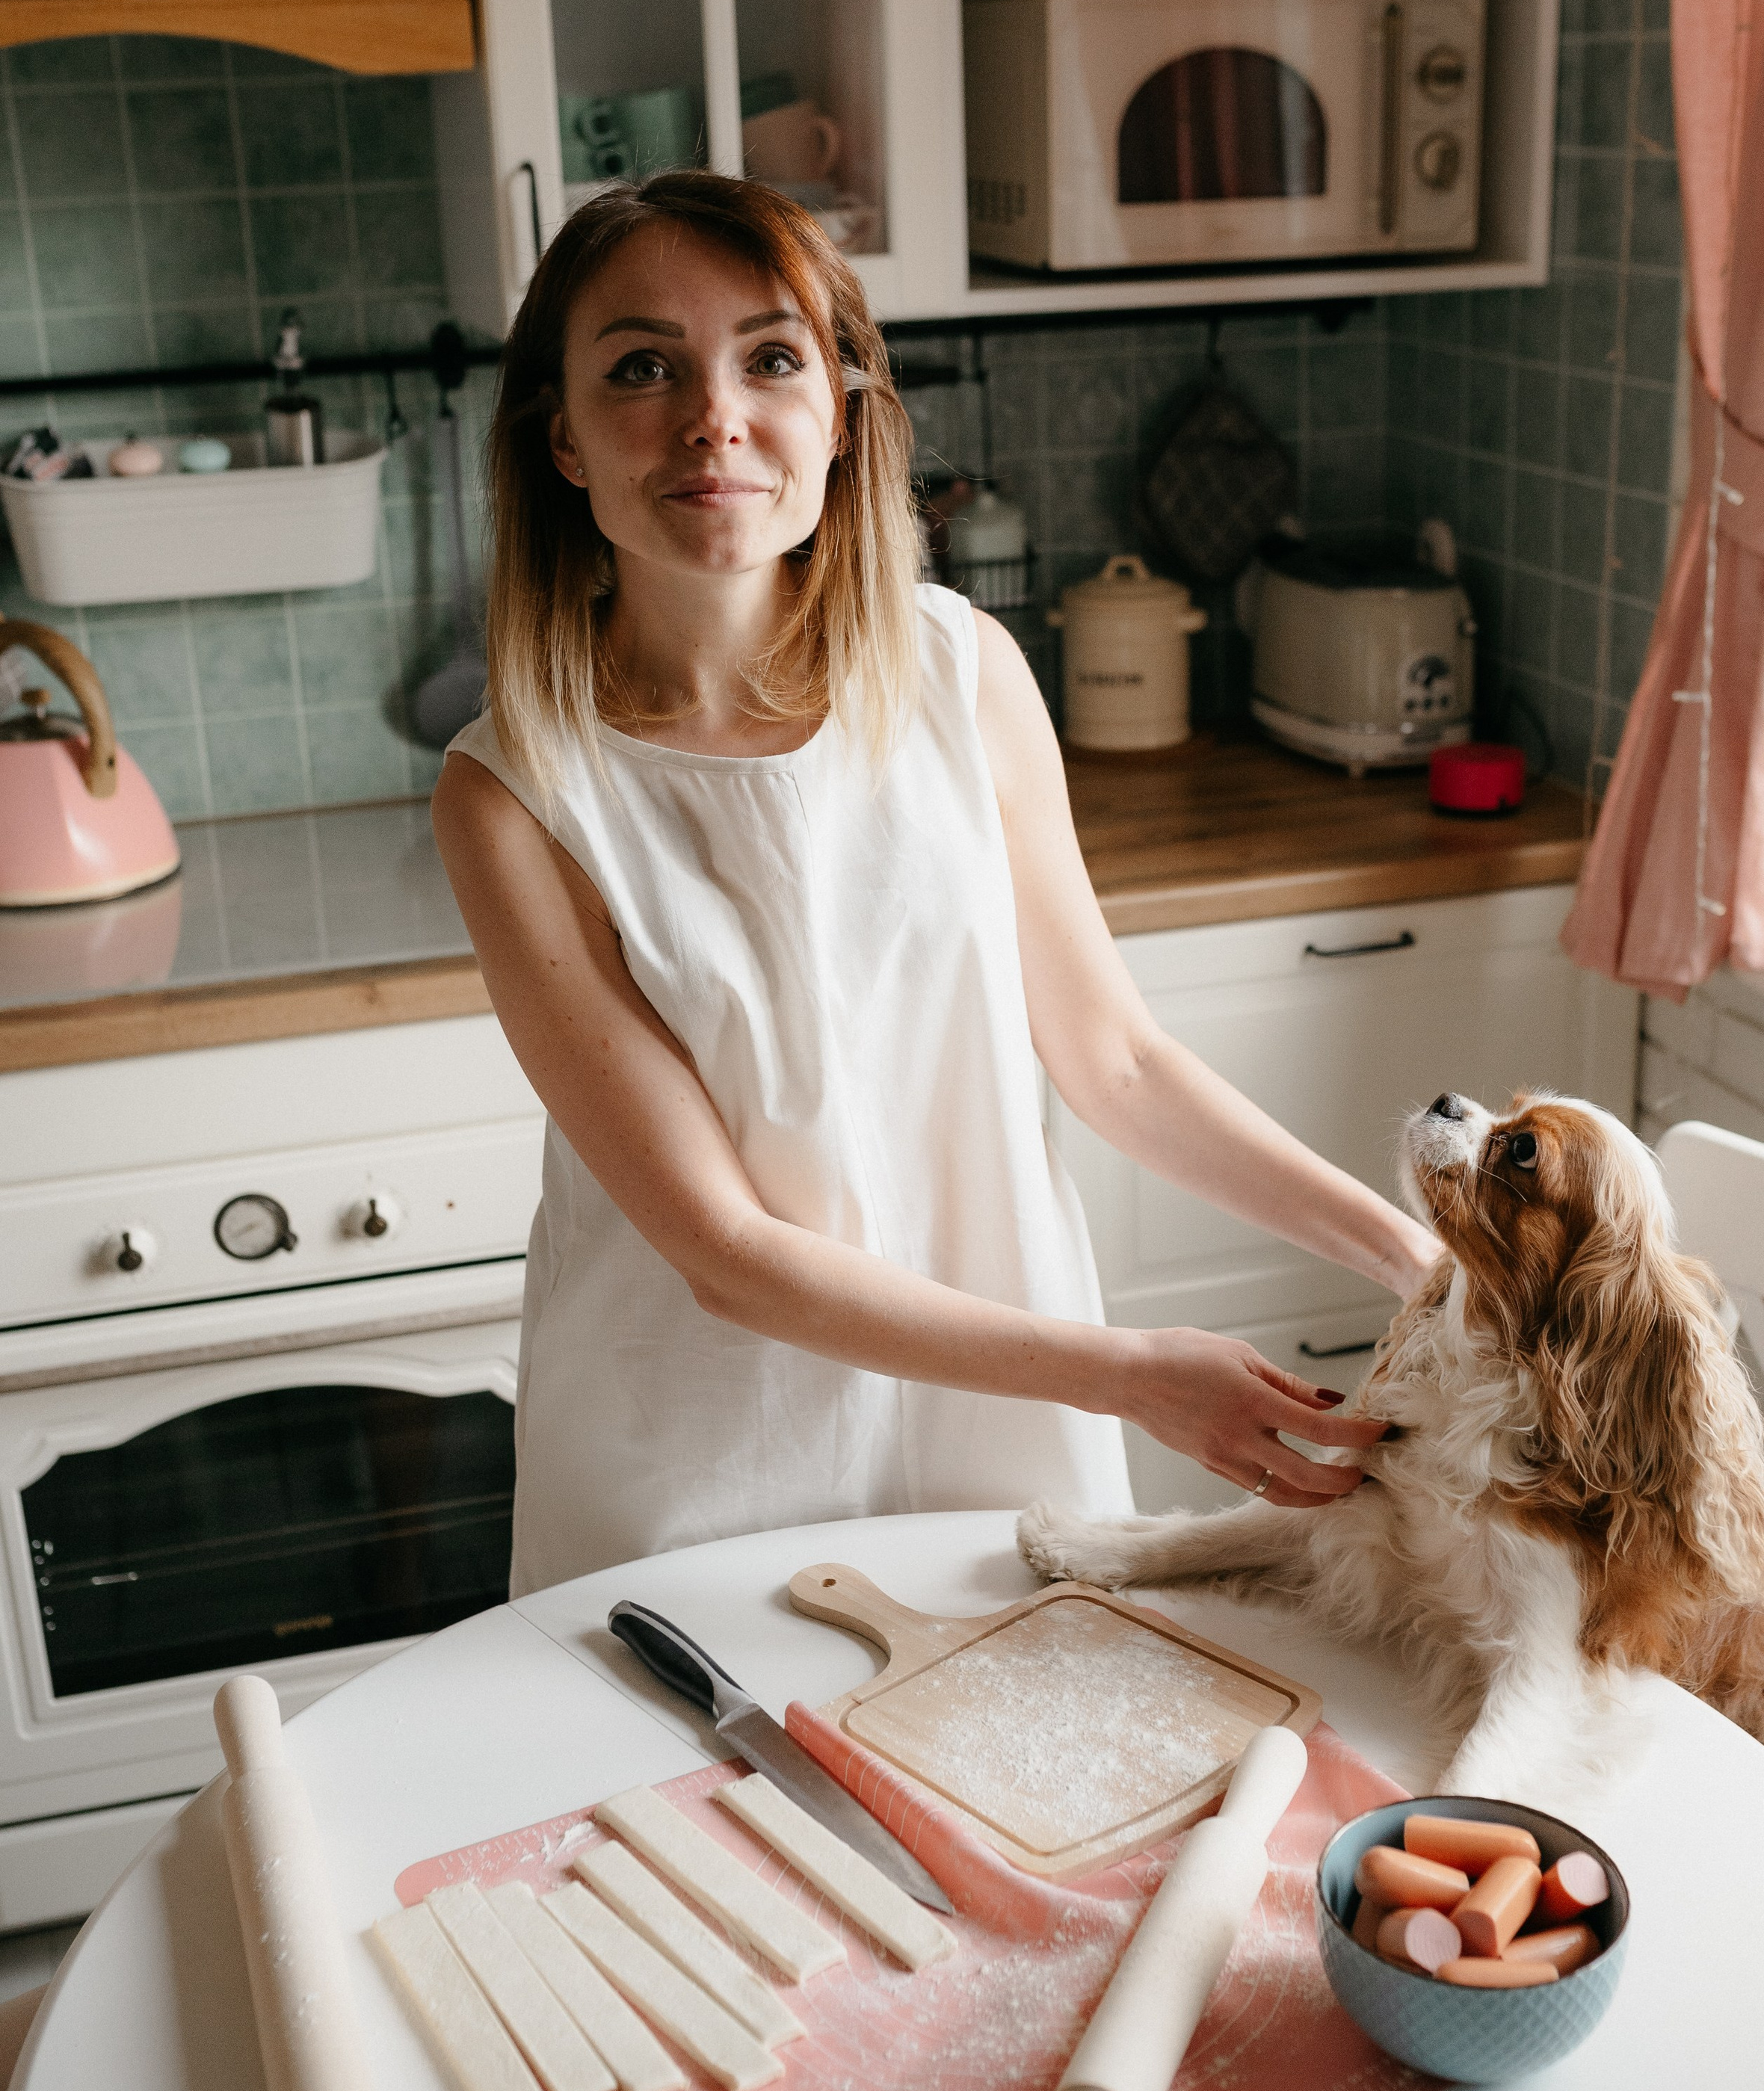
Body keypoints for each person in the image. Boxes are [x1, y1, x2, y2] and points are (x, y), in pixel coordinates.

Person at [434, 172, 1440, 1595]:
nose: (713, 416)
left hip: (1000, 1429)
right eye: (643, 368)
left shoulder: (962, 674)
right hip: (699, 1468)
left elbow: (1121, 1062)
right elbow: (725, 1250)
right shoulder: (519, 793)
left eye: (771, 358)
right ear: (565, 442)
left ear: (841, 417)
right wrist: (1133, 1374)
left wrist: (1417, 1260)